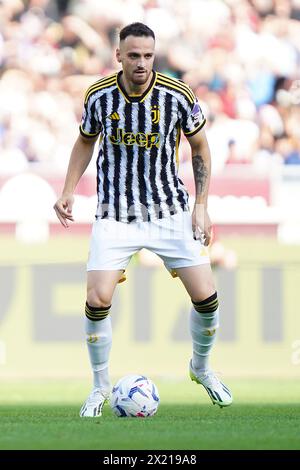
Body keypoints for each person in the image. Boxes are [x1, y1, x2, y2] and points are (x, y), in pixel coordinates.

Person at [54, 22, 233, 418]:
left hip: (168, 209)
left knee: (206, 298)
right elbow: (85, 140)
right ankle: (100, 387)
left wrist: (201, 205)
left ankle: (200, 369)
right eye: (133, 55)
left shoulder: (177, 95)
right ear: (118, 55)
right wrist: (68, 189)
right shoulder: (99, 96)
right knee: (97, 299)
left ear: (155, 56)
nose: (141, 63)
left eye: (148, 56)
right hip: (115, 213)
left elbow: (200, 144)